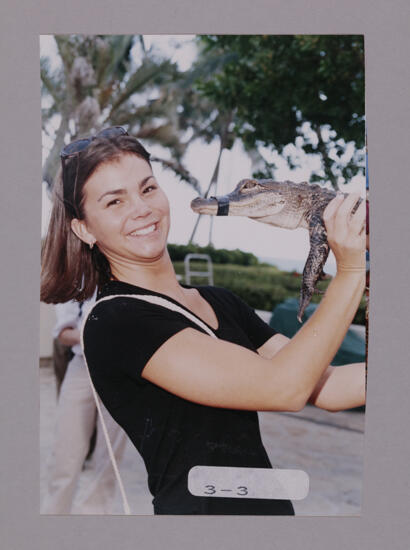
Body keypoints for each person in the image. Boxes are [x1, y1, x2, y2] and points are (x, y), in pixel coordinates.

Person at [41, 126, 366, 515]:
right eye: (115, 202)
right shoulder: (115, 321)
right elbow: (285, 388)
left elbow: (326, 386)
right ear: (84, 229)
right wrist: (350, 269)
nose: (142, 209)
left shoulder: (219, 301)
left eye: (148, 189)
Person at [41, 294, 128, 514]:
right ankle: (54, 513)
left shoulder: (131, 270)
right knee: (66, 448)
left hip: (123, 369)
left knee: (109, 454)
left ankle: (94, 513)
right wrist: (95, 334)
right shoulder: (77, 277)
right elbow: (63, 333)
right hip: (82, 364)